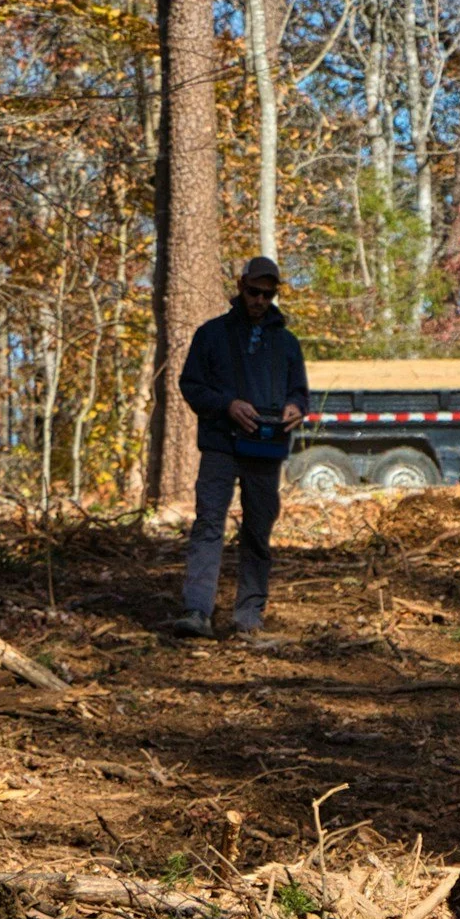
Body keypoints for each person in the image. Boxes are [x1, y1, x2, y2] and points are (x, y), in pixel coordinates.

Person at [175, 257, 309, 637]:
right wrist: (227, 405)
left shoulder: (286, 343)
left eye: (268, 294)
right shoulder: (211, 334)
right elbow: (191, 385)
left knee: (257, 531)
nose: (260, 300)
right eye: (254, 292)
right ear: (241, 286)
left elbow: (299, 392)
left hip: (266, 450)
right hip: (219, 445)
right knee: (208, 525)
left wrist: (296, 408)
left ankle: (248, 617)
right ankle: (197, 611)